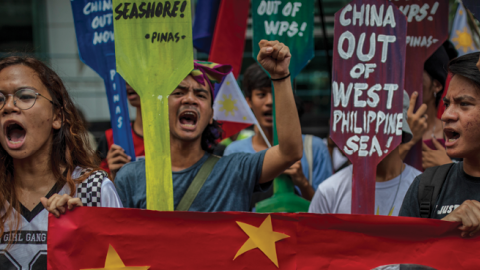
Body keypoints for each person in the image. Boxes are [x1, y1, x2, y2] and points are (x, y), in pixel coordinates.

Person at [115, 40, 303, 211]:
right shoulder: (130, 178)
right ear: (161, 108)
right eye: (179, 92)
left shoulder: (235, 170)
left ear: (211, 115)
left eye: (201, 95)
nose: (190, 99)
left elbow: (290, 152)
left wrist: (280, 76)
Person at [0, 56, 122, 269]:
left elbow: (122, 261)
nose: (8, 106)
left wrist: (84, 230)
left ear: (57, 116)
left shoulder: (93, 189)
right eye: (0, 99)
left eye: (25, 96)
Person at [224, 63, 332, 201]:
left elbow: (328, 210)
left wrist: (302, 183)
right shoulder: (234, 152)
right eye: (261, 94)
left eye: (275, 93)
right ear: (249, 101)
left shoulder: (315, 148)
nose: (269, 101)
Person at [400, 52, 480, 238]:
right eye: (447, 104)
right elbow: (402, 261)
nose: (446, 115)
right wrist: (442, 229)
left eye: (464, 104)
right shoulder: (426, 186)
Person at [309, 91, 422, 216]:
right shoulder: (329, 191)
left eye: (380, 124)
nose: (369, 134)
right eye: (364, 125)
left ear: (399, 132)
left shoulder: (422, 190)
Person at [400, 43, 457, 169]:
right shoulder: (388, 130)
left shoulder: (454, 133)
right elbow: (379, 178)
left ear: (437, 85)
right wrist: (407, 142)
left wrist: (449, 168)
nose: (406, 86)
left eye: (414, 78)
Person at [96, 83, 145, 179]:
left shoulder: (178, 137)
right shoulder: (110, 138)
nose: (128, 83)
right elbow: (97, 190)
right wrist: (113, 177)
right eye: (125, 78)